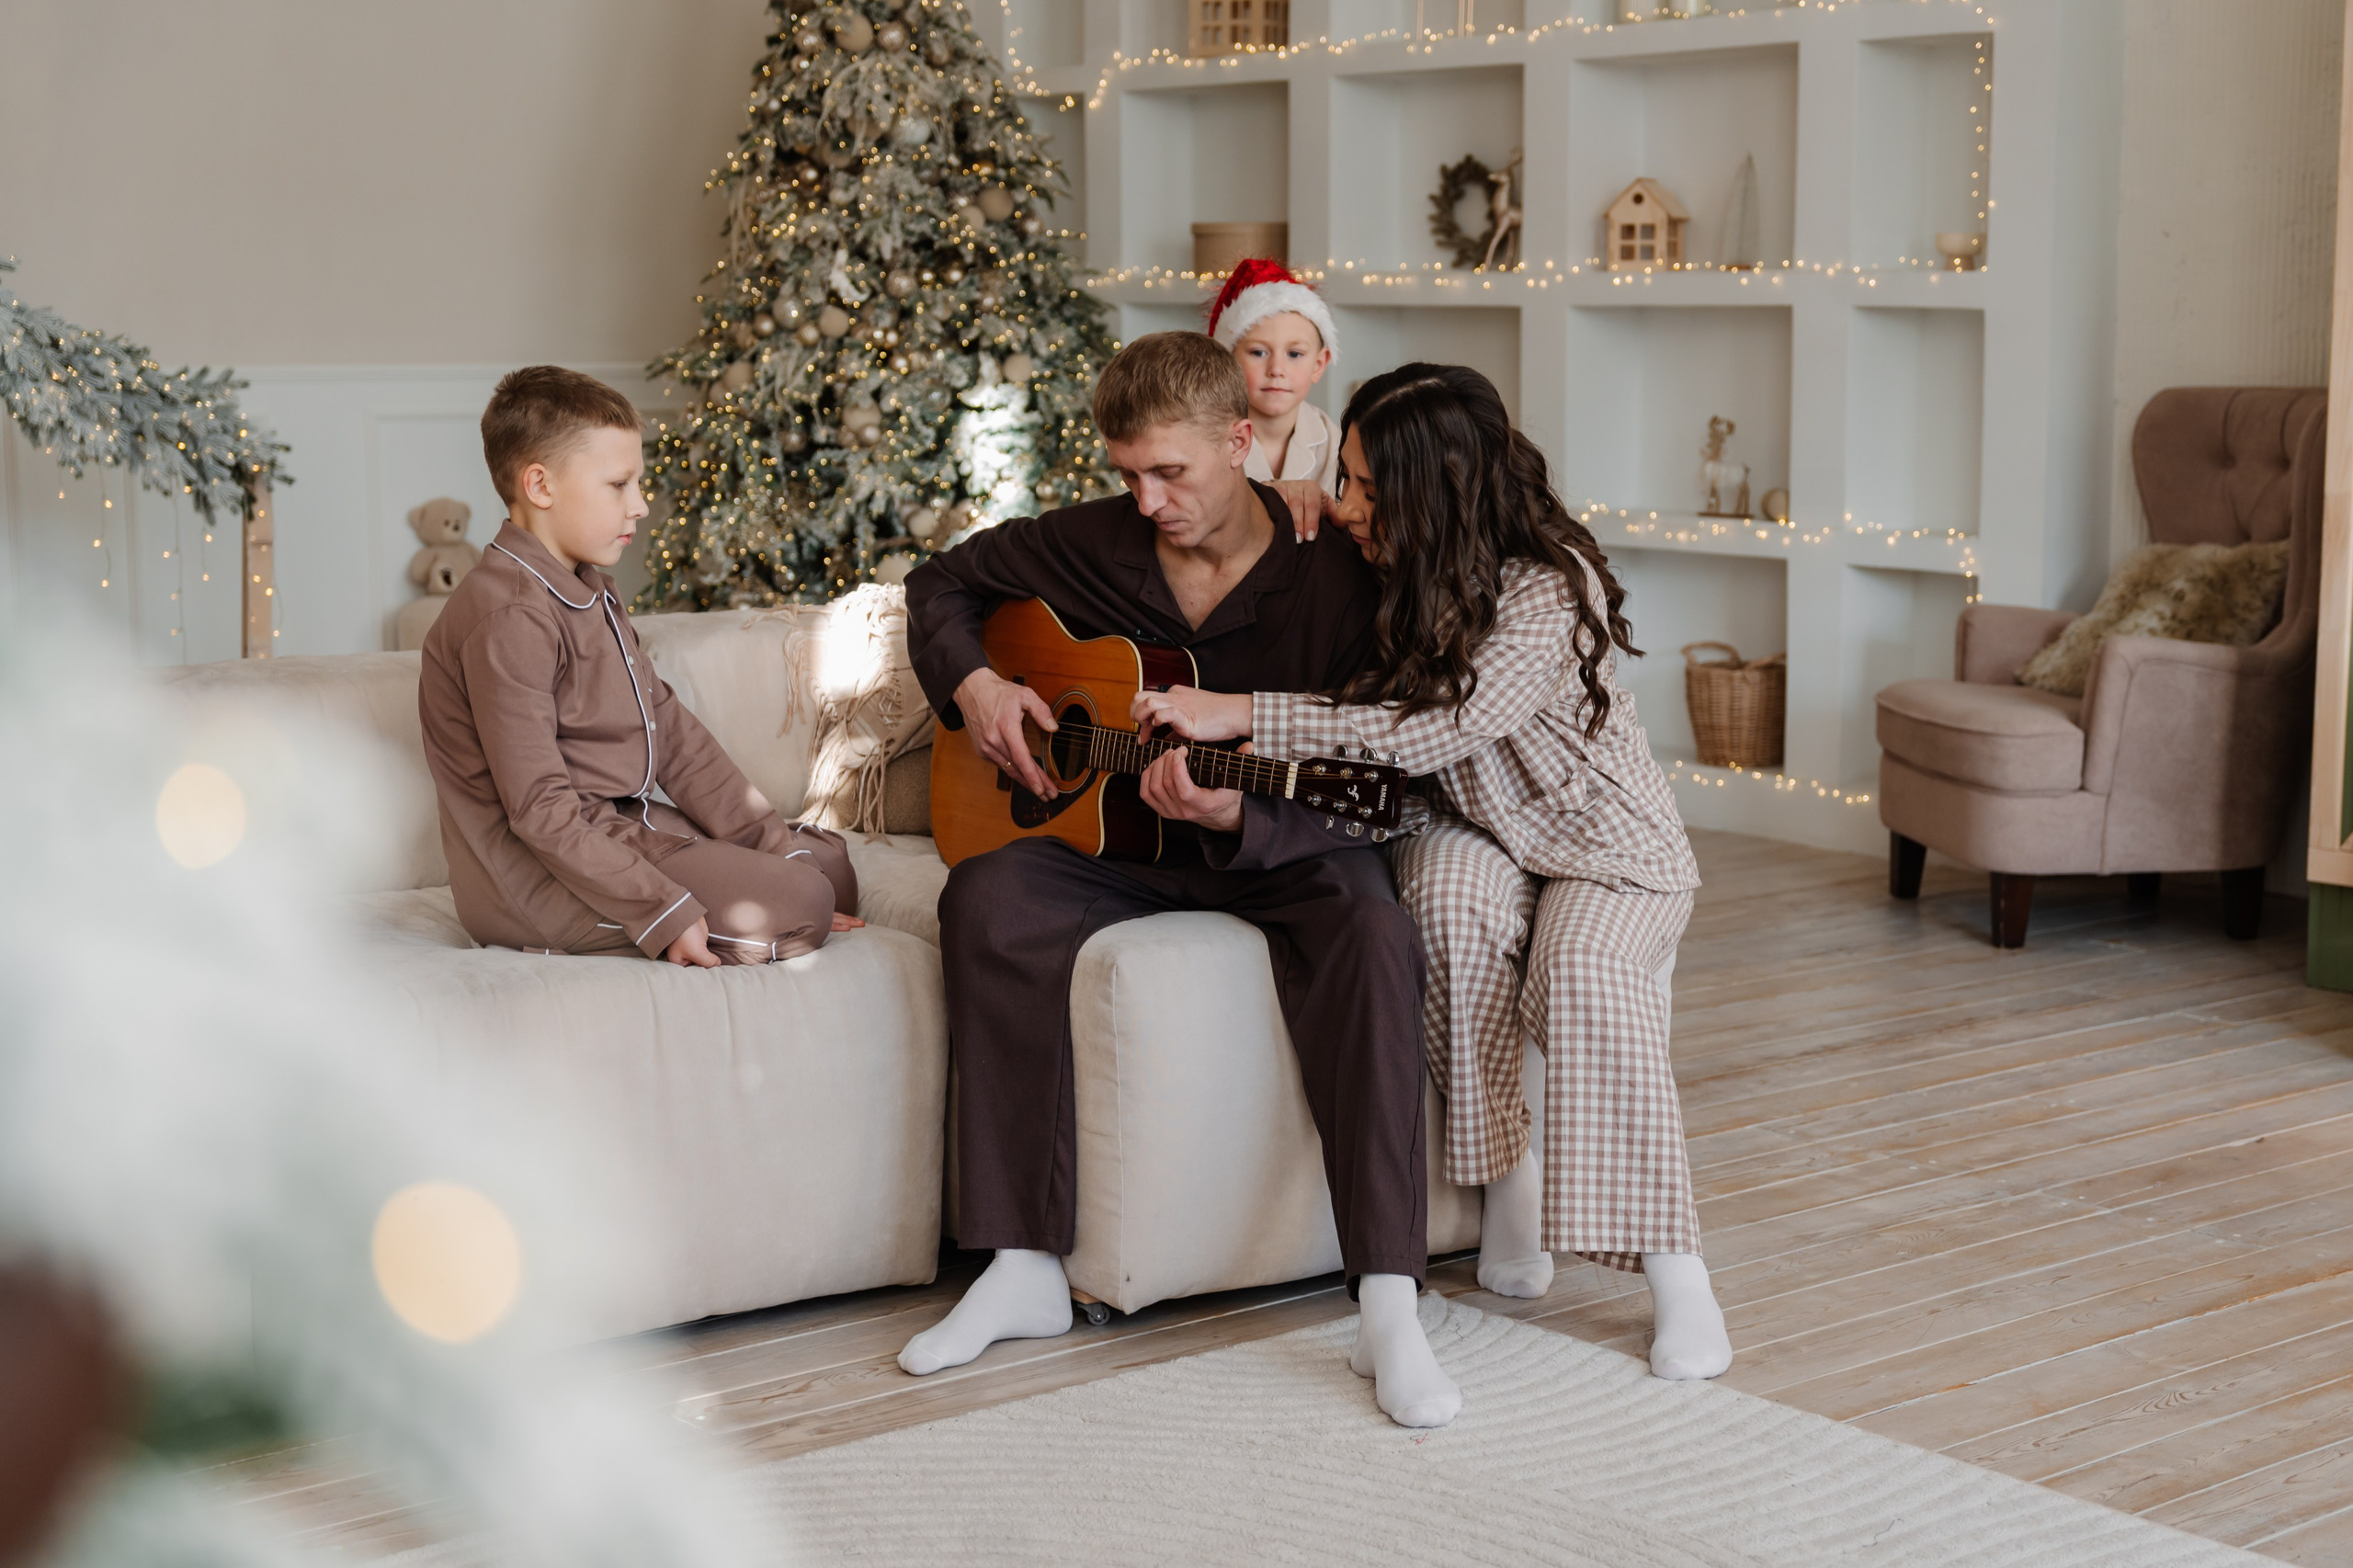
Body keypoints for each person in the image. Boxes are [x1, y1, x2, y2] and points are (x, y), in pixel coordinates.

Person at [896, 332, 1460, 1428]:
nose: (1147, 500)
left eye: (1172, 473)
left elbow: (1376, 772)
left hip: (1288, 846)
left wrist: (1245, 809)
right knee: (989, 896)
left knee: (1374, 931)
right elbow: (940, 584)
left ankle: (1387, 1295)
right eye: (1127, 474)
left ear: (1240, 441)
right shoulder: (1086, 545)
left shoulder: (1337, 572)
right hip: (1123, 855)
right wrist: (974, 687)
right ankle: (1018, 1262)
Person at [1131, 363, 1733, 1381]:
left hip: (1605, 849)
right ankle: (1504, 1181)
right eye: (1347, 478)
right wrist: (1298, 498)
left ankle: (1677, 1270)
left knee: (1586, 968)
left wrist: (1241, 709)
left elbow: (1442, 723)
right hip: (1471, 825)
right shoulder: (1393, 566)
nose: (1351, 500)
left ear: (1433, 489)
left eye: (1367, 484)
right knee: (1442, 905)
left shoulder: (1550, 585)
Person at [418, 365, 862, 967]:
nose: (642, 506)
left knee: (825, 864)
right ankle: (768, 898)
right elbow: (539, 811)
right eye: (619, 485)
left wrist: (772, 844)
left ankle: (780, 881)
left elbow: (672, 733)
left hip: (623, 827)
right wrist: (658, 907)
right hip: (536, 883)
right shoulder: (510, 616)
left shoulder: (587, 586)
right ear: (540, 487)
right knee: (804, 899)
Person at [1207, 258, 1340, 494]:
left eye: (1294, 354)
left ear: (1319, 364)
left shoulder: (1335, 444)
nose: (1276, 369)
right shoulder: (1206, 438)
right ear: (1228, 360)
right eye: (1258, 352)